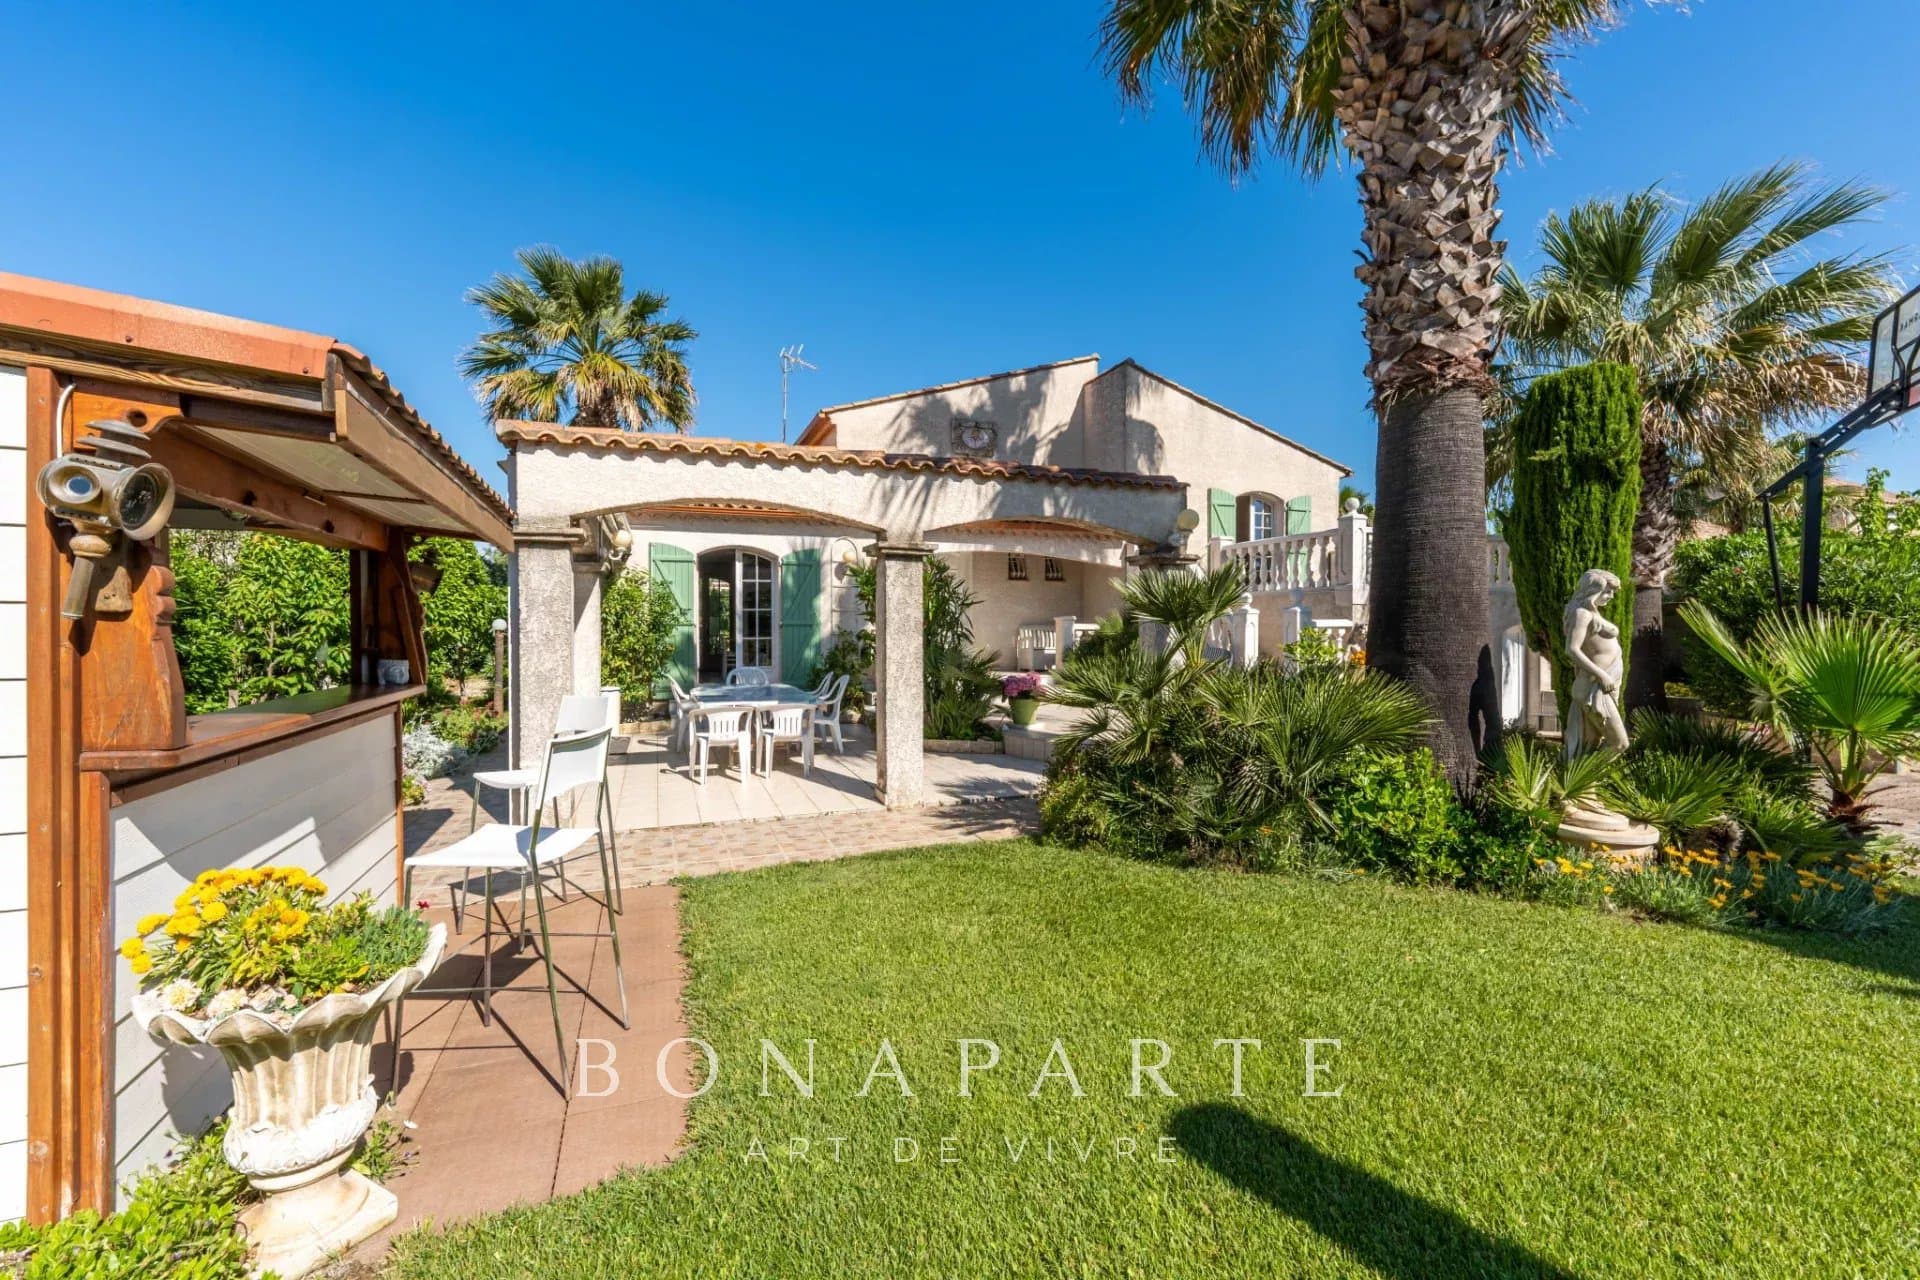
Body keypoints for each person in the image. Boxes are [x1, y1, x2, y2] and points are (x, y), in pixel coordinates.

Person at [1563, 569, 1628, 761]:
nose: (1611, 596)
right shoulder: (1582, 614)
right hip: (1594, 687)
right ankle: (1582, 780)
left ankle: (1581, 786)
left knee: (1587, 746)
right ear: (1593, 590)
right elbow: (1572, 650)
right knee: (1620, 743)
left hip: (1601, 687)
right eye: (1607, 591)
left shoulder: (1591, 612)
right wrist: (1602, 675)